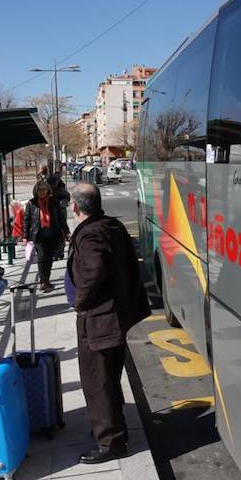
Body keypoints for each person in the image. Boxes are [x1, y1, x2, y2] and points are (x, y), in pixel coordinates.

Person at [67, 183, 150, 464]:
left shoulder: (91, 234)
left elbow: (94, 270)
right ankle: (114, 430)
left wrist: (79, 301)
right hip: (116, 316)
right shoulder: (111, 226)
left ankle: (111, 442)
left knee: (97, 381)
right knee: (109, 378)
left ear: (76, 206)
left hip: (100, 319)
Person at [23, 180, 70, 291]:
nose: (42, 192)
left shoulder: (54, 202)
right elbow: (27, 220)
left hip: (53, 234)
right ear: (36, 192)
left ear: (48, 190)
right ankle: (43, 281)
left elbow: (61, 218)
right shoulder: (31, 203)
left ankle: (46, 280)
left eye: (44, 190)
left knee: (49, 258)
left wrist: (67, 231)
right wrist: (25, 236)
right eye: (40, 191)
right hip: (38, 235)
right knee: (42, 257)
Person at [47, 171, 71, 260]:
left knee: (60, 232)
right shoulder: (47, 191)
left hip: (60, 213)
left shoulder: (61, 189)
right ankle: (55, 251)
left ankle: (59, 252)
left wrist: (63, 203)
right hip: (51, 215)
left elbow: (67, 196)